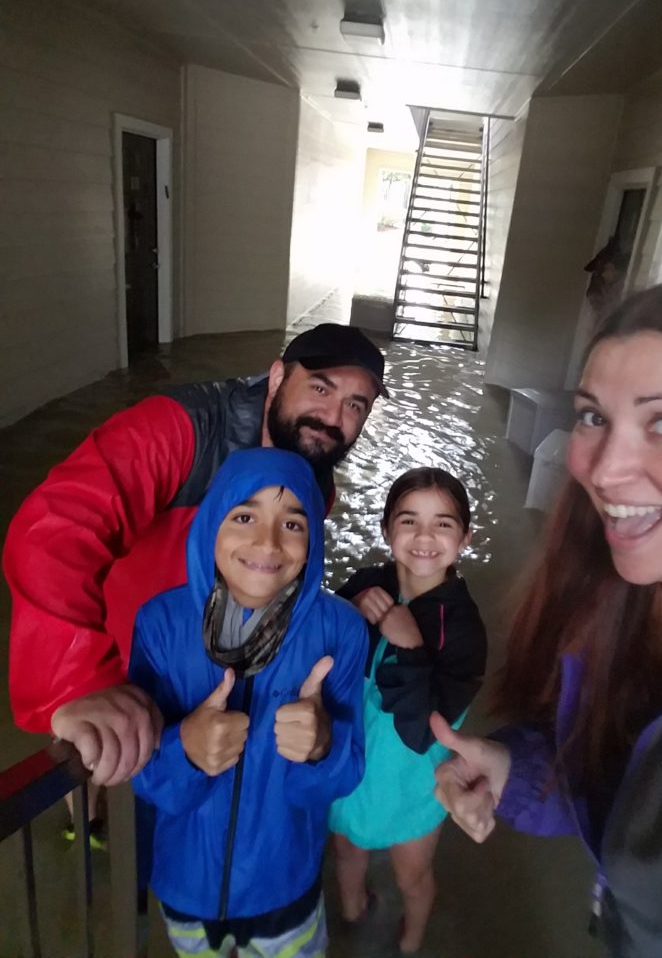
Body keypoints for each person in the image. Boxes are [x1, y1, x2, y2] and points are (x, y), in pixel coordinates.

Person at [431, 271, 662, 957]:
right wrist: (516, 770)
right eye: (593, 416)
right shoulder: (616, 594)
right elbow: (634, 791)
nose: (604, 468)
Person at [3, 323, 387, 790]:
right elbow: (55, 528)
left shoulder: (314, 476)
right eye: (320, 388)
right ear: (275, 377)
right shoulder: (180, 427)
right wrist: (79, 679)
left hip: (209, 680)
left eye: (355, 405)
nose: (332, 416)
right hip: (119, 664)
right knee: (97, 769)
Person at [129, 446, 368, 958]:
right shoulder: (160, 624)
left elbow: (346, 775)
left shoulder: (340, 629)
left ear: (313, 542)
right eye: (244, 516)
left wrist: (323, 744)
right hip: (186, 880)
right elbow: (145, 775)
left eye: (294, 524)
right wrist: (183, 750)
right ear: (211, 524)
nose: (268, 542)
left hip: (284, 882)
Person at [330, 467, 487, 953]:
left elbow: (422, 734)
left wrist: (411, 646)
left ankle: (412, 939)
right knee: (347, 853)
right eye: (408, 521)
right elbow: (321, 645)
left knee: (413, 875)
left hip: (413, 784)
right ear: (385, 529)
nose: (424, 537)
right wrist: (348, 610)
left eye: (443, 523)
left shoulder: (463, 631)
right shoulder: (366, 585)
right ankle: (354, 910)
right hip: (349, 767)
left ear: (465, 537)